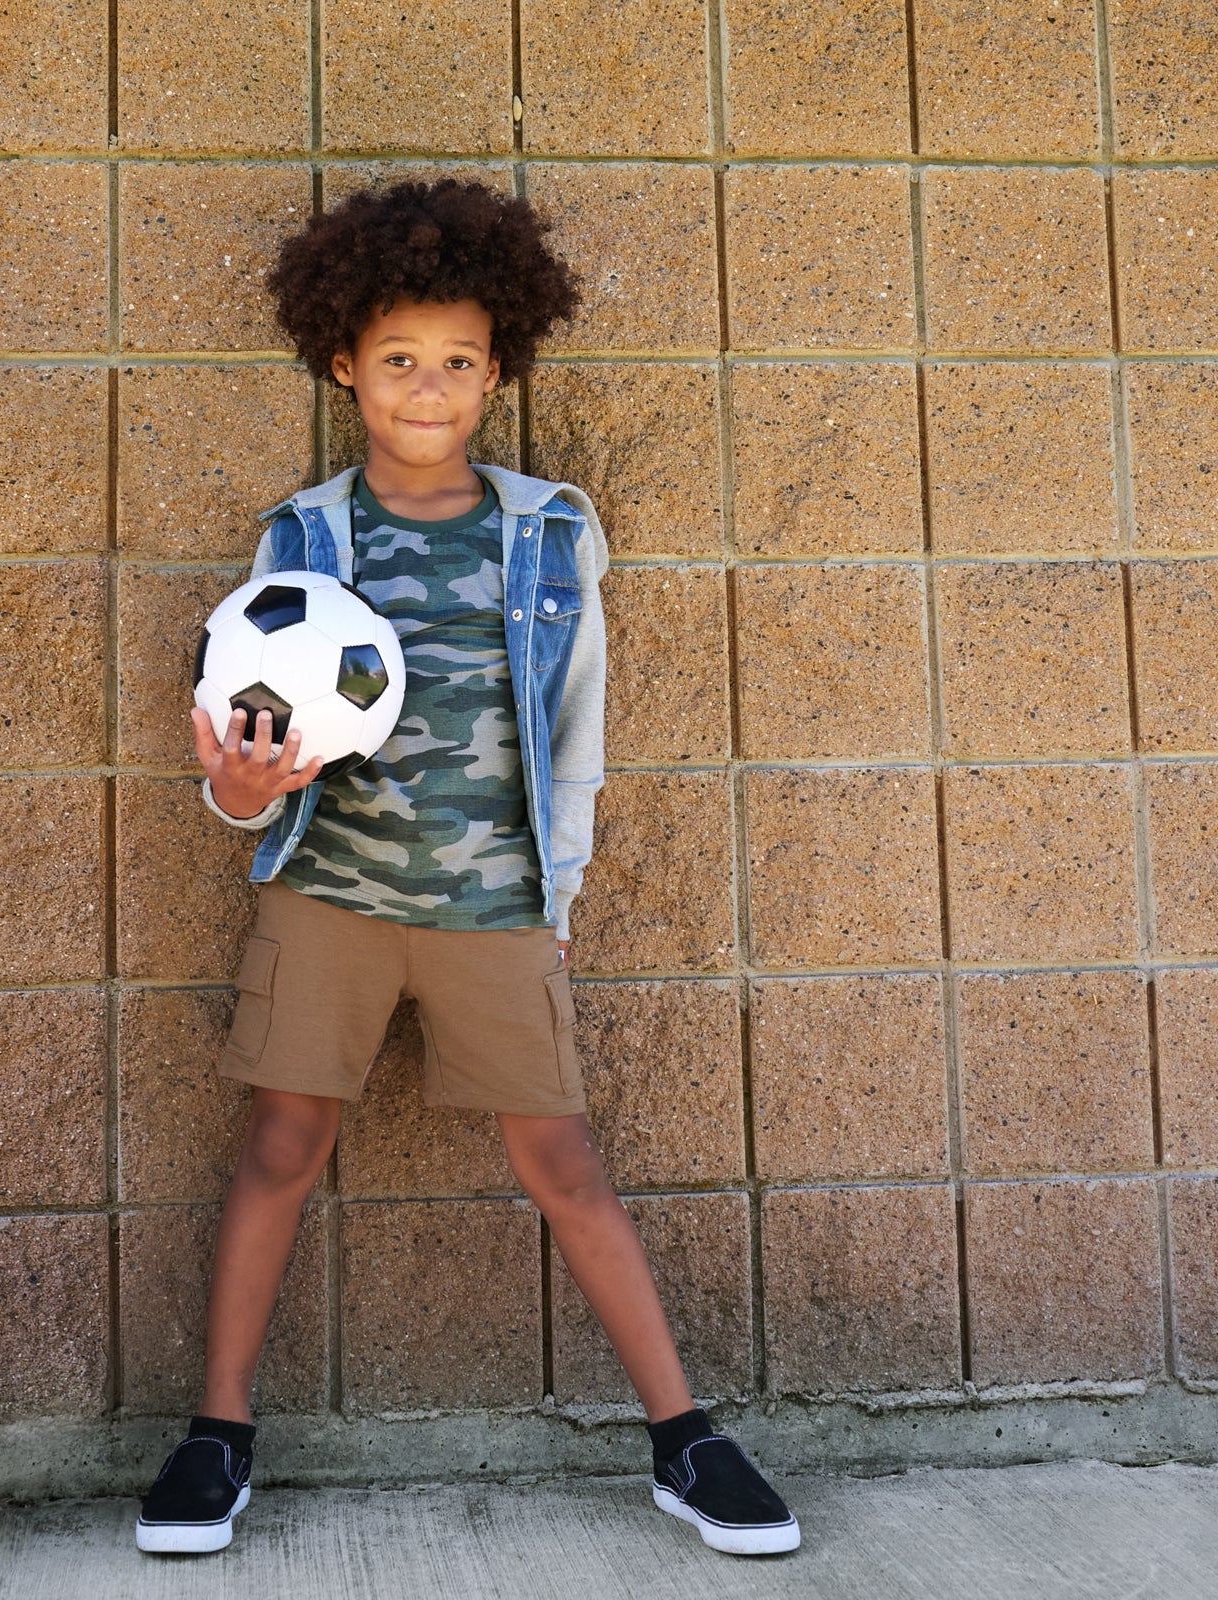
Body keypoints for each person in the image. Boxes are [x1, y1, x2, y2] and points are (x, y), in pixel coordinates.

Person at [135, 178, 799, 1559]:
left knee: (565, 1160)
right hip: (328, 897)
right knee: (279, 1147)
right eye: (396, 359)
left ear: (498, 370)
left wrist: (559, 900)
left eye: (455, 360)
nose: (425, 387)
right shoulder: (303, 540)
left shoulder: (547, 529)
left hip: (497, 906)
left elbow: (576, 732)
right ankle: (215, 1434)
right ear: (342, 364)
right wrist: (233, 794)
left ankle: (685, 1437)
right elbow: (247, 749)